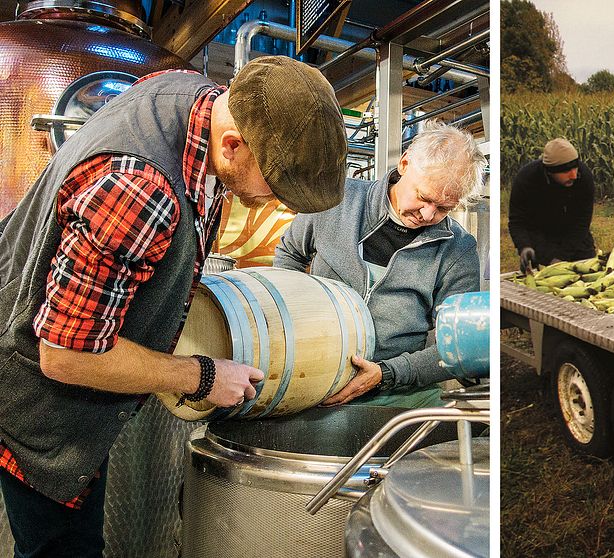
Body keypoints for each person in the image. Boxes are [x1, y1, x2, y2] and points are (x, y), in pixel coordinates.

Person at [0, 55, 347, 557]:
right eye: (275, 189)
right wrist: (202, 376)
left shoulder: (188, 93)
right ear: (232, 145)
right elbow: (65, 354)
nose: (277, 205)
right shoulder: (140, 189)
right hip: (39, 414)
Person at [274, 120, 485, 409]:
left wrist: (387, 374)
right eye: (424, 197)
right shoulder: (337, 200)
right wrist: (290, 321)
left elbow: (456, 346)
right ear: (405, 164)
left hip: (401, 393)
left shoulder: (458, 249)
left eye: (445, 208)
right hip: (314, 376)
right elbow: (290, 254)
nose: (427, 214)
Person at [508, 137, 596, 272]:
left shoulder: (583, 177)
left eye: (575, 168)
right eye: (566, 171)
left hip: (575, 237)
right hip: (541, 235)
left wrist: (561, 257)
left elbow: (582, 223)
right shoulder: (526, 179)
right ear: (549, 171)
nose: (573, 175)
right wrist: (524, 246)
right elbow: (517, 220)